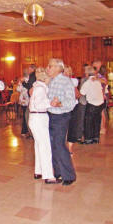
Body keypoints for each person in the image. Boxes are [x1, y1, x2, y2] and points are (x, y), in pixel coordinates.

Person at [47, 58, 77, 186]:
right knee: (52, 145)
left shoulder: (66, 82)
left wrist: (59, 103)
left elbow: (71, 102)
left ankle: (69, 175)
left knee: (59, 145)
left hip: (61, 117)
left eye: (50, 66)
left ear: (59, 68)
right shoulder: (51, 81)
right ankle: (57, 172)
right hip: (50, 116)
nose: (48, 68)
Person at [28, 68, 61, 184]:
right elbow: (39, 104)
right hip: (39, 118)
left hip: (36, 118)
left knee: (39, 145)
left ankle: (39, 170)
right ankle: (48, 175)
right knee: (45, 146)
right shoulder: (41, 88)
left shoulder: (37, 86)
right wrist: (51, 103)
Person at [80, 66, 104, 144]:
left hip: (92, 104)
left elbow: (82, 93)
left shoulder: (87, 82)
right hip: (100, 103)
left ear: (87, 73)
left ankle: (88, 139)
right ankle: (96, 138)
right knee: (96, 121)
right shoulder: (98, 81)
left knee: (88, 122)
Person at [17, 70, 30, 136]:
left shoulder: (24, 79)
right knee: (26, 116)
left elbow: (18, 89)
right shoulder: (24, 79)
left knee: (26, 116)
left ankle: (25, 131)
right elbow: (18, 89)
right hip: (25, 100)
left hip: (26, 99)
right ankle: (25, 131)